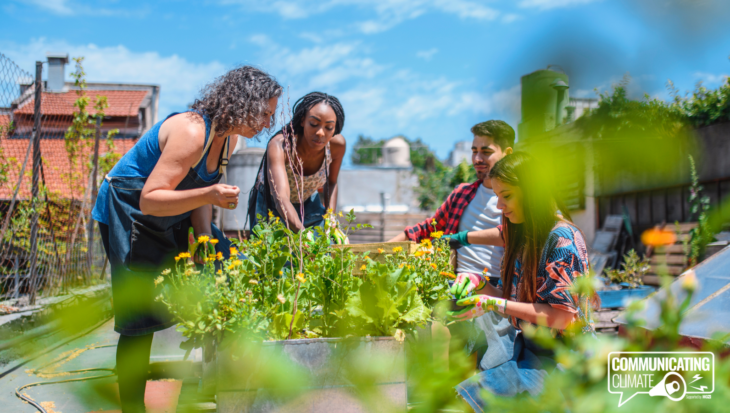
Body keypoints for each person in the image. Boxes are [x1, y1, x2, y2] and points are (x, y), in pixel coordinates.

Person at [91, 66, 282, 413]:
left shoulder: (229, 140)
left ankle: (220, 380)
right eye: (264, 113)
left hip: (169, 213)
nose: (267, 123)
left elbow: (196, 196)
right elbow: (151, 198)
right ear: (243, 102)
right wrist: (210, 194)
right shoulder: (192, 131)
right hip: (131, 211)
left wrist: (206, 241)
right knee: (140, 319)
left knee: (224, 265)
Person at [446, 152, 597, 412]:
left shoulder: (562, 239)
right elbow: (513, 300)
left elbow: (562, 318)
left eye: (507, 196)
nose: (499, 206)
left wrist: (491, 302)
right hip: (531, 353)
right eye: (497, 196)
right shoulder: (523, 235)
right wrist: (479, 283)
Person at [388, 120, 515, 370]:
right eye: (474, 151)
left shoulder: (516, 199)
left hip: (496, 289)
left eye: (486, 151)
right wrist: (378, 250)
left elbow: (516, 235)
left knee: (452, 335)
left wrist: (463, 238)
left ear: (507, 153)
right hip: (454, 284)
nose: (477, 158)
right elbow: (427, 229)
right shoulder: (463, 194)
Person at [248, 92, 346, 231]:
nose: (320, 133)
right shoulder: (282, 145)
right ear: (302, 121)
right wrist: (303, 236)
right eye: (313, 124)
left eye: (329, 127)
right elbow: (281, 198)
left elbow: (331, 182)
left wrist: (331, 218)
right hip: (271, 204)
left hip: (307, 201)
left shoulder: (337, 146)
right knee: (271, 250)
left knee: (325, 247)